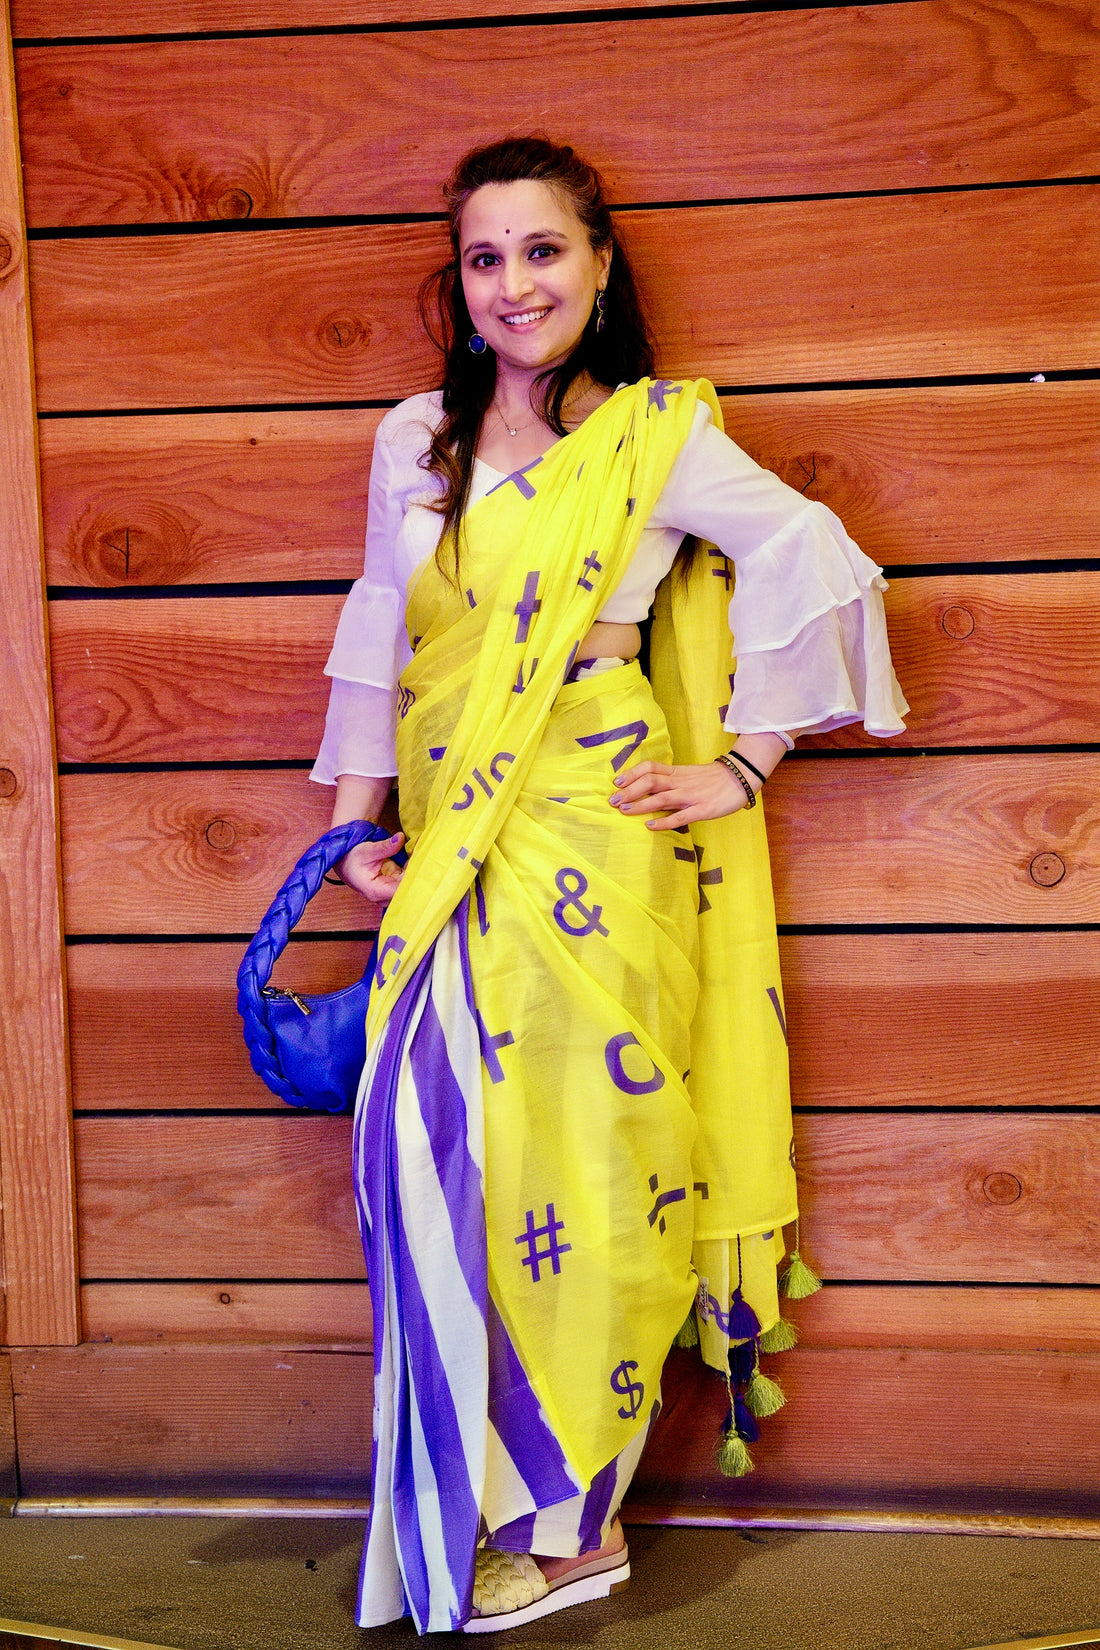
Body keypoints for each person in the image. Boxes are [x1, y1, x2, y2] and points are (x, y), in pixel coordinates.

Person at [311, 135, 908, 1635]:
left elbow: (812, 554)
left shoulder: (654, 436)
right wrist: (349, 829)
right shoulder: (416, 440)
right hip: (450, 835)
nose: (513, 284)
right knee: (428, 1150)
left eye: (543, 250)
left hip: (591, 821)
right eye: (484, 257)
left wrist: (744, 764)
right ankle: (474, 1495)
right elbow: (385, 629)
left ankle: (577, 1526)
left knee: (587, 1160)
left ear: (600, 261)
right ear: (459, 280)